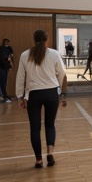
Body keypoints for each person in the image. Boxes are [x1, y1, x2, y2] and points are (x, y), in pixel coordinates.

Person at [16, 29, 67, 169]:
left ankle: (38, 160)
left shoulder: (25, 55)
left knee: (35, 128)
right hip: (51, 93)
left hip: (34, 95)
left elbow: (20, 77)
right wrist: (60, 89)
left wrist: (20, 96)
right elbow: (62, 73)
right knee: (50, 125)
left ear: (34, 39)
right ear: (47, 39)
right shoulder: (54, 54)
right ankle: (50, 153)